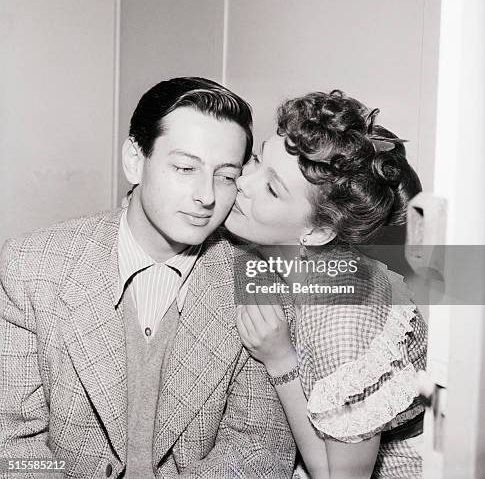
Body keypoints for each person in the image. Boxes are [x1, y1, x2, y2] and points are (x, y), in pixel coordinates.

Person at [0, 77, 295, 479]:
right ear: (135, 161)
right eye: (186, 168)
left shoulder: (255, 282)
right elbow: (10, 443)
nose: (206, 196)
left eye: (225, 175)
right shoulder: (30, 266)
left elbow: (260, 447)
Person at [225, 90, 427, 479]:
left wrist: (281, 360)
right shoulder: (306, 261)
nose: (244, 182)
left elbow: (338, 476)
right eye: (256, 160)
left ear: (318, 231)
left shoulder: (340, 322)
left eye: (271, 188)